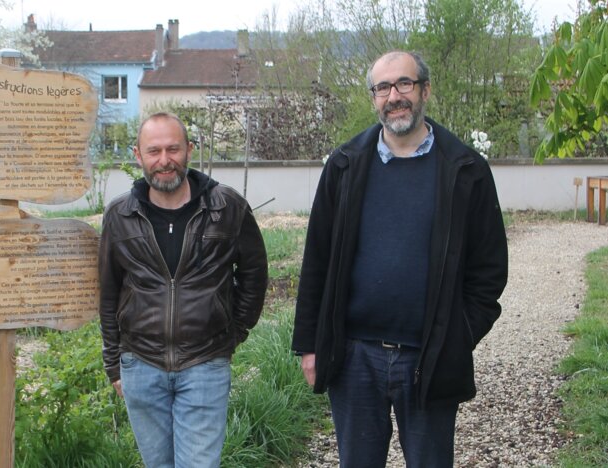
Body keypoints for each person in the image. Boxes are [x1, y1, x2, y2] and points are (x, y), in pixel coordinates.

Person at [292, 51, 508, 467]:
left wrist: (458, 335)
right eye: (384, 88)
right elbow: (317, 259)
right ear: (374, 98)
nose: (395, 96)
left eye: (404, 84)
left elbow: (490, 268)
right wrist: (308, 345)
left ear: (425, 90)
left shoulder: (465, 169)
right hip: (355, 357)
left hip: (430, 356)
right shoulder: (344, 166)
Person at [99, 112, 268, 468]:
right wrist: (114, 363)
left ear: (190, 149)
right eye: (154, 151)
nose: (164, 160)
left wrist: (234, 333)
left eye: (173, 149)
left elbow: (253, 273)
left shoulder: (227, 207)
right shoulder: (119, 215)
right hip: (140, 364)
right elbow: (109, 291)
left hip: (205, 363)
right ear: (138, 155)